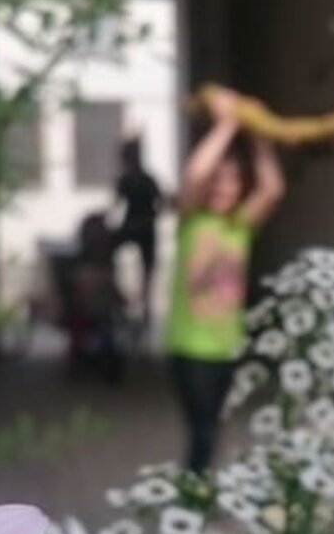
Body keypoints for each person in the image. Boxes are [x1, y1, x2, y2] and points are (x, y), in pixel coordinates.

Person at [166, 88, 285, 472]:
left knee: (213, 427)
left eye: (231, 180)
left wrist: (258, 130)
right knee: (203, 428)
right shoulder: (191, 220)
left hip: (226, 346)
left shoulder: (239, 226)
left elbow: (272, 188)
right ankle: (192, 496)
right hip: (189, 347)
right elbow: (196, 173)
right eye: (217, 181)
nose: (222, 187)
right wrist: (227, 125)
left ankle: (195, 493)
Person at [109, 136, 163, 332]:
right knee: (106, 254)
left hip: (143, 228)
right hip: (134, 227)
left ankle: (144, 309)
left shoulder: (147, 180)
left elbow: (160, 204)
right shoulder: (130, 179)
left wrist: (146, 219)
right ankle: (119, 300)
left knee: (148, 271)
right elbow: (115, 205)